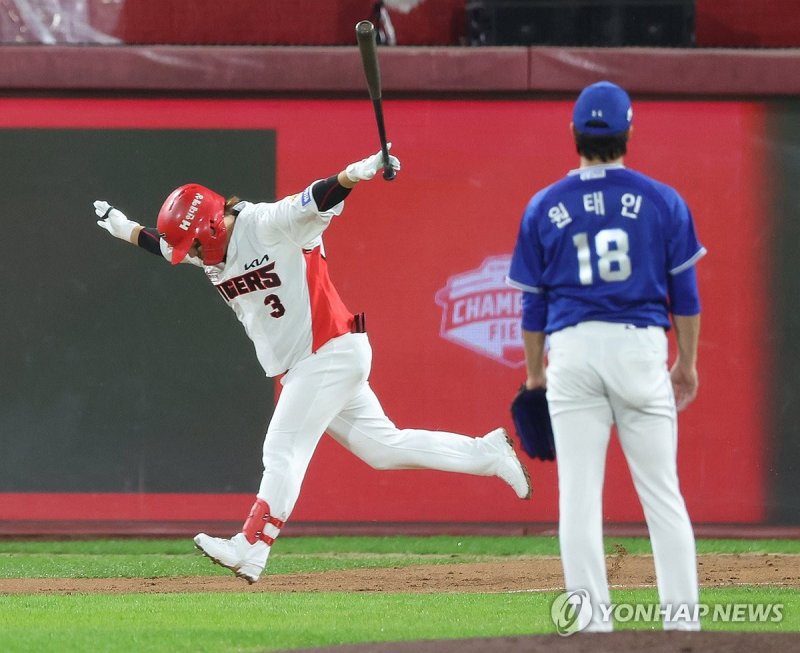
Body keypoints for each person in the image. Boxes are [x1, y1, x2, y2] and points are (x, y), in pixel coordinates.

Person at [95, 146, 531, 584]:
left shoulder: (268, 224)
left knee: (282, 450)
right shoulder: (210, 244)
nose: (192, 254)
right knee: (384, 449)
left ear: (212, 225)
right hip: (313, 362)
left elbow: (318, 197)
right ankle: (487, 454)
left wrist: (354, 173)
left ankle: (251, 547)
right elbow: (164, 243)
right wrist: (125, 228)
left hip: (327, 353)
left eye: (193, 244)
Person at [506, 82, 704, 632]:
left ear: (574, 134)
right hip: (640, 346)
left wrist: (535, 373)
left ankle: (593, 629)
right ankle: (682, 626)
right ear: (629, 134)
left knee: (578, 498)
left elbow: (534, 305)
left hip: (572, 351)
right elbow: (684, 297)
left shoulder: (545, 206)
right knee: (663, 494)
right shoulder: (663, 201)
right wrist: (686, 361)